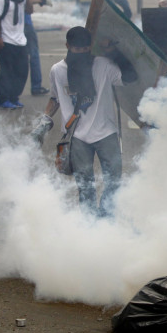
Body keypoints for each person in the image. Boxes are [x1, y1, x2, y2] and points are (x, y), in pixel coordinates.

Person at [34, 27, 137, 216]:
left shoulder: (103, 65)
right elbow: (55, 98)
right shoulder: (57, 70)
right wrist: (44, 120)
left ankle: (105, 219)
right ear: (67, 46)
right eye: (76, 50)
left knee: (114, 181)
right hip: (77, 137)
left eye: (84, 50)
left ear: (90, 47)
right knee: (85, 185)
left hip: (106, 133)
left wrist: (113, 52)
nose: (81, 53)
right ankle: (90, 227)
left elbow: (130, 77)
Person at [0, 0, 29, 109]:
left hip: (21, 40)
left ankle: (14, 97)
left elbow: (30, 11)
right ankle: (3, 99)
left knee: (22, 71)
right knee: (7, 71)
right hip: (7, 40)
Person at [20, 0, 51, 96]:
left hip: (19, 24)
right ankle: (36, 86)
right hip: (26, 24)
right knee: (34, 55)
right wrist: (40, 0)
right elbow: (26, 0)